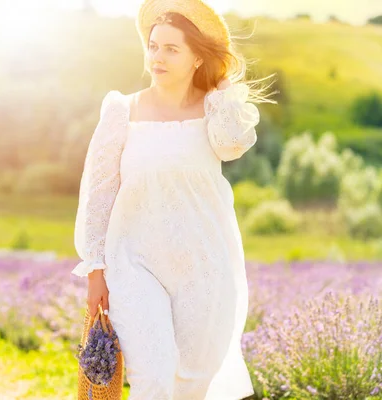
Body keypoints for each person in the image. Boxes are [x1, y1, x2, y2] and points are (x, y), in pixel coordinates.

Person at [72, 0, 277, 399]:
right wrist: (96, 270)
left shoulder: (214, 112)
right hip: (134, 262)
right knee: (154, 376)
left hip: (205, 265)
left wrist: (223, 92)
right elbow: (98, 194)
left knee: (193, 380)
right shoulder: (122, 110)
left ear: (197, 57)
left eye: (171, 48)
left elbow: (233, 145)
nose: (157, 57)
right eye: (153, 46)